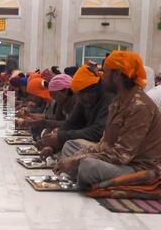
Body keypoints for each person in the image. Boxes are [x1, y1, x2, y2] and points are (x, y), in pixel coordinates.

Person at [54, 51, 161, 190]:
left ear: (117, 75)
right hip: (118, 162)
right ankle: (79, 174)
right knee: (70, 147)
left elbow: (122, 155)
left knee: (88, 166)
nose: (102, 77)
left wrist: (77, 159)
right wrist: (77, 155)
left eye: (105, 72)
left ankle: (80, 175)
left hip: (138, 169)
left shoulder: (140, 106)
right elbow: (104, 145)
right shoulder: (118, 102)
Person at [39, 63, 114, 159]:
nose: (79, 99)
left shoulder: (108, 98)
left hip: (109, 148)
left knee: (70, 146)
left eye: (81, 95)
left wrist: (61, 137)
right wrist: (52, 145)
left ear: (92, 90)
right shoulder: (83, 99)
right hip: (96, 144)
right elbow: (71, 123)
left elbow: (98, 132)